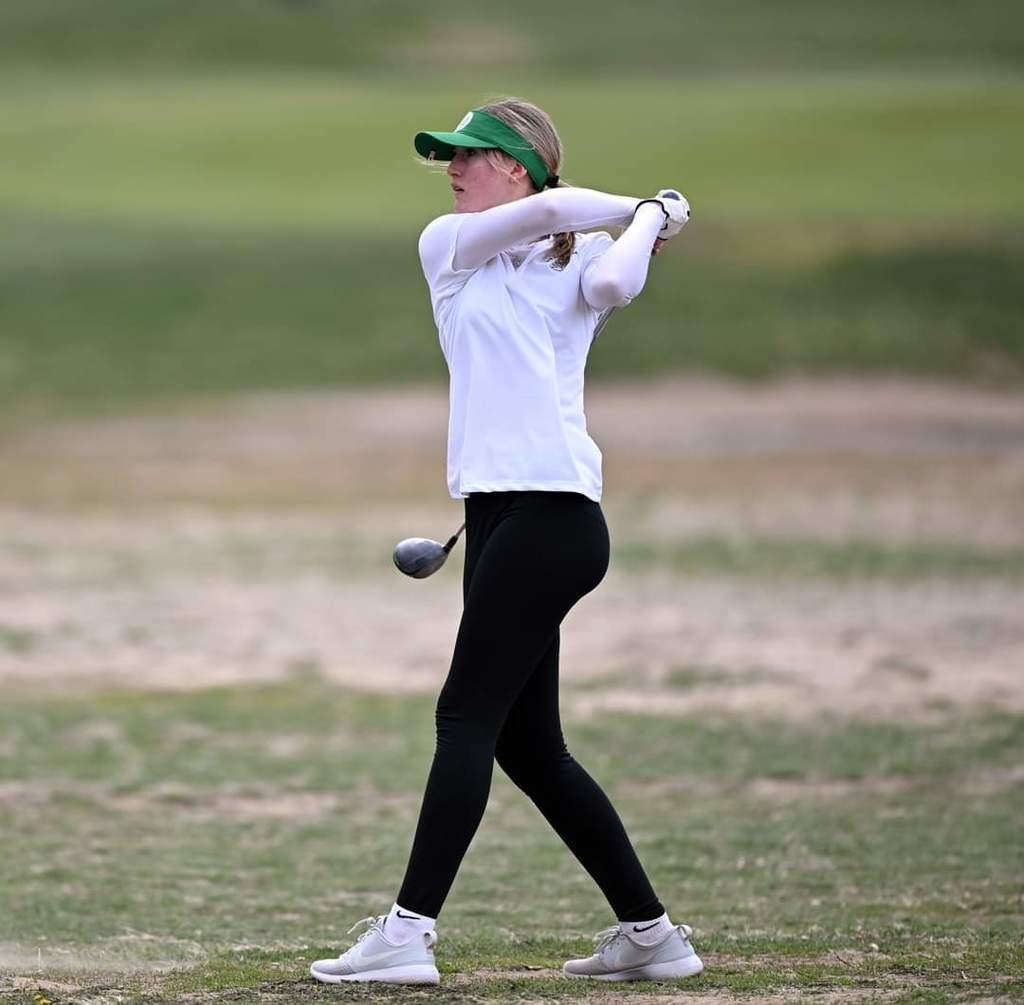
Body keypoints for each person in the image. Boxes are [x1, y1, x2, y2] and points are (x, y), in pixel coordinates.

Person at [310, 96, 699, 987]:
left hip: (555, 517)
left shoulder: (588, 259)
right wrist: (655, 207)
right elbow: (561, 210)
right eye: (448, 154)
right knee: (527, 745)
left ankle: (407, 933)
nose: (452, 167)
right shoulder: (446, 247)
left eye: (471, 154)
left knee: (463, 715)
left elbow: (608, 286)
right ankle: (651, 935)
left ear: (516, 166)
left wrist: (640, 227)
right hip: (492, 518)